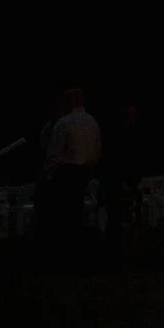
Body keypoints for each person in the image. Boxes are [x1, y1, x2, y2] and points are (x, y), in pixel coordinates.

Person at [40, 87, 102, 263]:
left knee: (65, 217)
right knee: (80, 215)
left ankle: (64, 254)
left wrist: (48, 175)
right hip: (87, 173)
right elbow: (96, 151)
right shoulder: (92, 122)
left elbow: (54, 154)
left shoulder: (64, 123)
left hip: (67, 174)